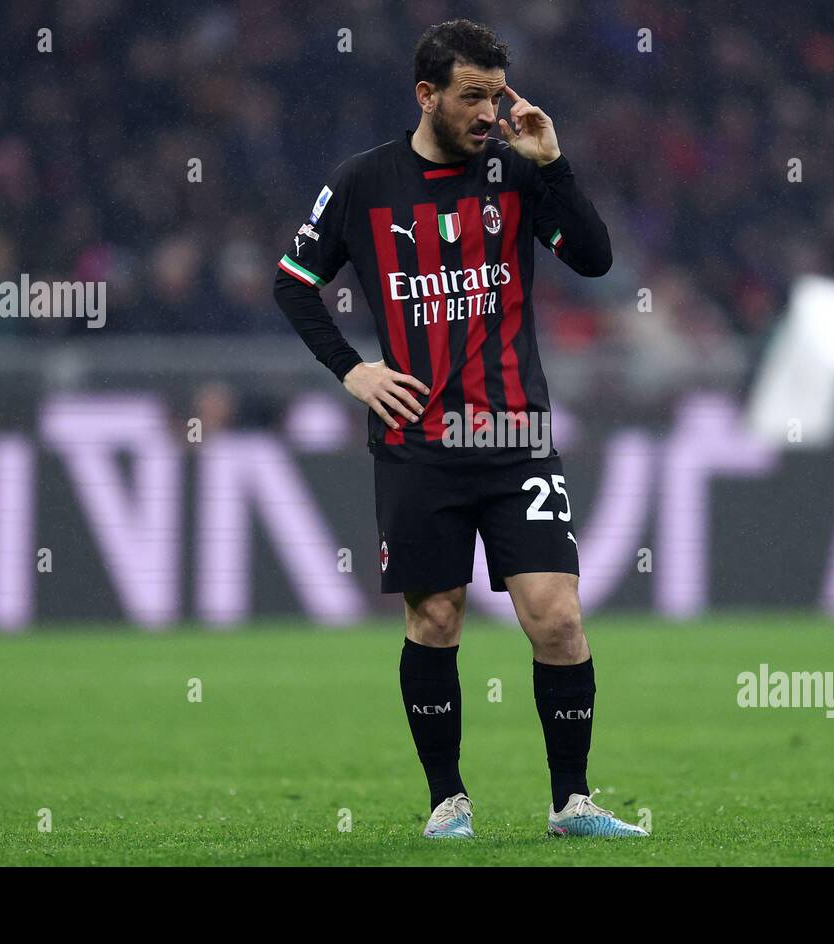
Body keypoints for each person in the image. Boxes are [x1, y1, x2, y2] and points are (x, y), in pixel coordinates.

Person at [273, 18, 645, 839]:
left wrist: (555, 162)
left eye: (497, 94)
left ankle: (572, 803)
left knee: (556, 617)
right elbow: (295, 284)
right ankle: (449, 801)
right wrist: (354, 370)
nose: (489, 111)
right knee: (435, 619)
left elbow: (594, 259)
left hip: (515, 437)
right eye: (472, 95)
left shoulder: (515, 173)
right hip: (419, 444)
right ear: (427, 94)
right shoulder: (363, 183)